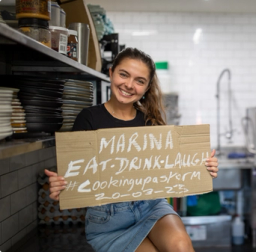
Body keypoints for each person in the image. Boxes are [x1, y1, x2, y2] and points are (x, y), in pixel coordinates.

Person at [44, 47, 219, 252]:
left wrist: (203, 167)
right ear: (111, 73)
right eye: (123, 75)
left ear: (146, 88)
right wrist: (61, 185)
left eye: (139, 81)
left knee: (181, 246)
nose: (129, 85)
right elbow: (76, 174)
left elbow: (172, 170)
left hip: (150, 207)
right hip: (108, 221)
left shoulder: (150, 122)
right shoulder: (88, 118)